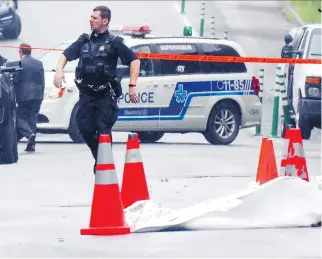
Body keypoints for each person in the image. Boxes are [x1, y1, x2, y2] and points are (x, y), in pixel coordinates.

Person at [53, 5, 140, 173]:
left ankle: (104, 165)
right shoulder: (84, 41)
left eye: (95, 18)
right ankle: (100, 158)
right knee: (84, 129)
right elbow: (65, 55)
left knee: (103, 132)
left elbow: (134, 61)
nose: (90, 20)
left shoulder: (115, 42)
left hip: (105, 96)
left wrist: (132, 86)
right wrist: (59, 70)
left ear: (105, 21)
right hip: (86, 95)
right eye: (91, 17)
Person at [13, 43, 45, 152]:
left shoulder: (20, 63)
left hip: (24, 96)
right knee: (32, 119)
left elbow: (15, 80)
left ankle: (28, 135)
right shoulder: (39, 63)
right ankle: (31, 145)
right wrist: (41, 95)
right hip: (37, 95)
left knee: (19, 118)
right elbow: (42, 81)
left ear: (20, 51)